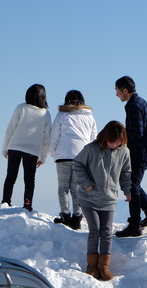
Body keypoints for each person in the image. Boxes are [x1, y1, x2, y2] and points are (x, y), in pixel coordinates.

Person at [73, 120, 131, 281]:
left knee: (106, 232)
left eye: (118, 141)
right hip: (88, 198)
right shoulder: (91, 149)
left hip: (109, 199)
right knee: (95, 230)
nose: (115, 144)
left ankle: (103, 267)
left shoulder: (124, 152)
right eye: (112, 141)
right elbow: (77, 164)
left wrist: (127, 190)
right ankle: (91, 267)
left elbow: (126, 173)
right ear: (105, 137)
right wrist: (86, 184)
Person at [113, 76, 147, 237]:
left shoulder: (132, 105)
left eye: (117, 91)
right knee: (135, 183)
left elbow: (137, 131)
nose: (116, 95)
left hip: (140, 152)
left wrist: (121, 140)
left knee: (132, 185)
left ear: (125, 90)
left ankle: (134, 224)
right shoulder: (141, 101)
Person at [50, 90, 97, 230]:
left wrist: (54, 153)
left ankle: (65, 216)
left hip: (62, 156)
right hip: (81, 156)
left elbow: (54, 136)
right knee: (77, 189)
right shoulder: (89, 117)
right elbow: (93, 139)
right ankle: (77, 217)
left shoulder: (62, 115)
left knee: (63, 188)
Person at [2, 84, 52, 211]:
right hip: (32, 151)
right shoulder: (45, 113)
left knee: (10, 177)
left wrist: (5, 148)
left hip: (14, 146)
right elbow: (47, 138)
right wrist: (43, 157)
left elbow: (10, 129)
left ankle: (5, 201)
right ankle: (27, 204)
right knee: (29, 180)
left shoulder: (21, 108)